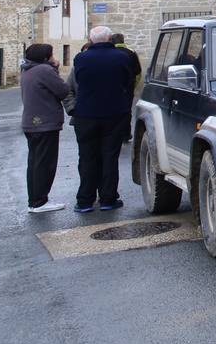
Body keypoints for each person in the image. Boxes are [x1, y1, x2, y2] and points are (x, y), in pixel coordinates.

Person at [70, 26, 137, 212]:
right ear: (109, 39)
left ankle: (85, 200)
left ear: (90, 39)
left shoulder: (80, 58)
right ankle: (108, 198)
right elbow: (128, 80)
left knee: (87, 157)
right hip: (114, 112)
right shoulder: (122, 57)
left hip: (86, 113)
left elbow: (78, 80)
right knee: (109, 156)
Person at [19, 43, 70, 214]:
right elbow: (63, 90)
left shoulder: (27, 70)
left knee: (35, 163)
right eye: (51, 55)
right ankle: (40, 201)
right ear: (45, 57)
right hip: (45, 123)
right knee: (45, 163)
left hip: (32, 123)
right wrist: (55, 68)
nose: (54, 58)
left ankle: (35, 200)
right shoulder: (44, 70)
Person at [111, 32, 142, 140]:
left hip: (112, 86)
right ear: (123, 41)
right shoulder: (131, 53)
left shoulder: (110, 53)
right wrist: (134, 84)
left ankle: (114, 132)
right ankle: (125, 133)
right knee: (127, 110)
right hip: (128, 86)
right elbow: (138, 71)